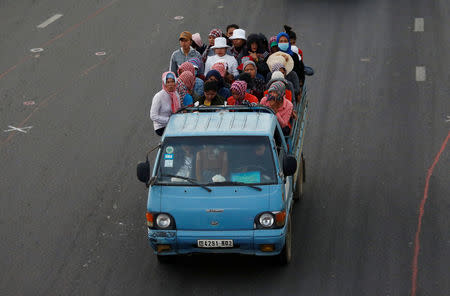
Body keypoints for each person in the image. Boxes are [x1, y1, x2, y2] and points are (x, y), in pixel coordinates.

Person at [150, 72, 181, 136]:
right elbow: (153, 116)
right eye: (168, 82)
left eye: (172, 81)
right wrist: (169, 120)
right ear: (164, 83)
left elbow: (179, 110)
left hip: (173, 123)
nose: (170, 84)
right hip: (161, 127)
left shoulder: (176, 94)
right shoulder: (159, 96)